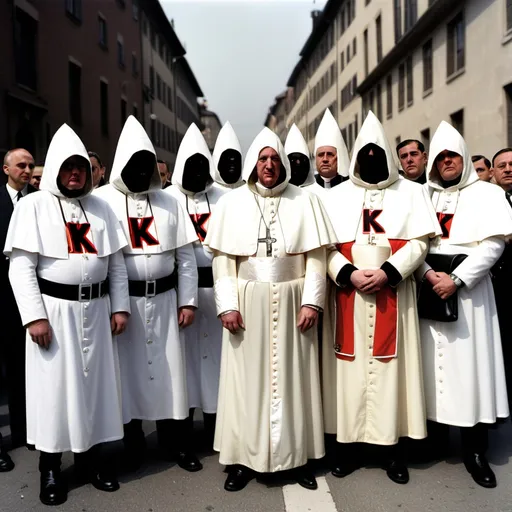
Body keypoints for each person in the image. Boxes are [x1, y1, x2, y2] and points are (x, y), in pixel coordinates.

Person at [204, 127, 337, 492]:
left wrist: (312, 301)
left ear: (283, 164)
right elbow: (223, 262)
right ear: (253, 164)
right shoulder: (232, 203)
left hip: (295, 301)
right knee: (246, 384)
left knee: (296, 380)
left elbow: (316, 258)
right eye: (263, 159)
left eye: (275, 159)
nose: (269, 165)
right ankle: (244, 460)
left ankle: (299, 457)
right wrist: (227, 305)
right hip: (248, 303)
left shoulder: (305, 200)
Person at [5, 124, 130, 506]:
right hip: (55, 315)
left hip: (97, 308)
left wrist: (121, 307)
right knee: (55, 392)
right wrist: (34, 317)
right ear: (57, 169)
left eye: (81, 167)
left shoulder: (102, 208)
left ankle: (91, 461)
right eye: (67, 167)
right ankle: (51, 468)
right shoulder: (33, 206)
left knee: (93, 389)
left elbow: (117, 266)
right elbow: (21, 268)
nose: (75, 173)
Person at [322, 111, 440, 485]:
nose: (371, 160)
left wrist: (389, 272)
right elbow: (323, 247)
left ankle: (392, 451)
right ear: (355, 158)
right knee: (348, 373)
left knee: (394, 375)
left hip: (393, 294)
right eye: (365, 155)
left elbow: (420, 241)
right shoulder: (337, 197)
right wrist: (349, 273)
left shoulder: (411, 192)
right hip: (349, 298)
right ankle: (349, 449)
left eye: (377, 154)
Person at [95, 116, 201, 472]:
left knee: (171, 372)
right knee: (129, 375)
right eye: (134, 164)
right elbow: (108, 260)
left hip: (168, 300)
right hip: (127, 306)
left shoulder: (169, 202)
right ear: (122, 164)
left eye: (146, 163)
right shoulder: (103, 202)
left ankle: (176, 443)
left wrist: (188, 300)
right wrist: (118, 306)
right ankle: (132, 443)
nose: (141, 170)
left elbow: (185, 257)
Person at [418, 122, 512, 488]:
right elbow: (415, 244)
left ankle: (475, 451)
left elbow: (493, 245)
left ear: (463, 159)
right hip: (429, 288)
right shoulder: (422, 196)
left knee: (470, 369)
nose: (446, 162)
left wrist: (455, 279)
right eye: (440, 158)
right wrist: (429, 275)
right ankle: (437, 439)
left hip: (470, 293)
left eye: (452, 156)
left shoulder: (487, 195)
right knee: (430, 366)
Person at [166, 123, 226, 451]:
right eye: (192, 165)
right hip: (181, 295)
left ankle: (219, 433)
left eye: (203, 165)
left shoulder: (225, 198)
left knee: (217, 364)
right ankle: (184, 440)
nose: (198, 171)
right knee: (185, 366)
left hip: (218, 292)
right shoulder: (168, 199)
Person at [0, 148, 36, 469]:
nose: (26, 170)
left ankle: (25, 432)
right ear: (6, 169)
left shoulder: (38, 201)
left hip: (26, 301)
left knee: (22, 369)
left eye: (30, 165)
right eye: (20, 165)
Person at [489, 148, 512, 403]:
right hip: (499, 287)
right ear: (493, 172)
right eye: (502, 165)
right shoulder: (487, 201)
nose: (508, 169)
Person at [313, 109, 350, 191]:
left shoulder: (351, 189)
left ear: (338, 157)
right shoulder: (307, 191)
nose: (325, 159)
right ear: (315, 158)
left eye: (330, 154)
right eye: (321, 155)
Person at [212, 121, 243, 190]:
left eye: (235, 159)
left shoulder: (247, 194)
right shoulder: (206, 194)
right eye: (227, 158)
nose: (232, 163)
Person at [284, 124, 316, 189]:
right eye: (293, 160)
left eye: (301, 160)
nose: (298, 163)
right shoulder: (279, 195)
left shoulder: (314, 196)